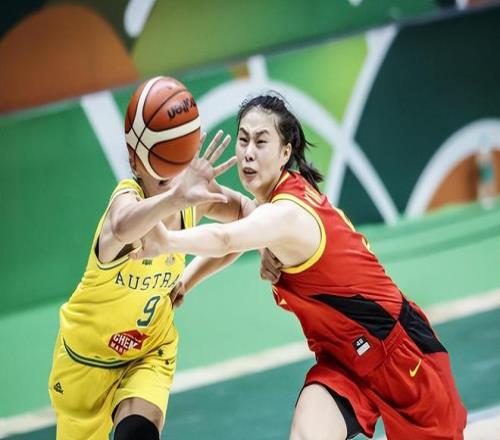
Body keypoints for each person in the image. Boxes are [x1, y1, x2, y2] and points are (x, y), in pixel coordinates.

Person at [133, 94, 467, 440]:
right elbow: (239, 220)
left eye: (261, 141)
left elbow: (227, 238)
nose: (248, 152)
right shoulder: (276, 202)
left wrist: (167, 242)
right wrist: (185, 281)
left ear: (285, 153)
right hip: (343, 362)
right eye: (243, 139)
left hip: (401, 358)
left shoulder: (288, 214)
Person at [48, 129, 258, 440]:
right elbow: (122, 225)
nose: (167, 168)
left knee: (138, 433)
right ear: (135, 161)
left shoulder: (192, 199)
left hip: (149, 350)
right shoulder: (126, 203)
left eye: (175, 155)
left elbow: (247, 219)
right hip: (85, 361)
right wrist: (175, 199)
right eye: (159, 155)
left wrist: (188, 280)